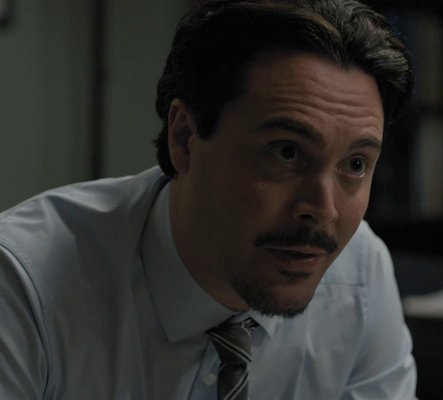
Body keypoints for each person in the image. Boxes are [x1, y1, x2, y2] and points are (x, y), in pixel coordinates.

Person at [0, 0, 417, 398]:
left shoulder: (359, 275)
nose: (323, 210)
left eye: (356, 164)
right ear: (185, 138)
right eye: (287, 152)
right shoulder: (24, 286)